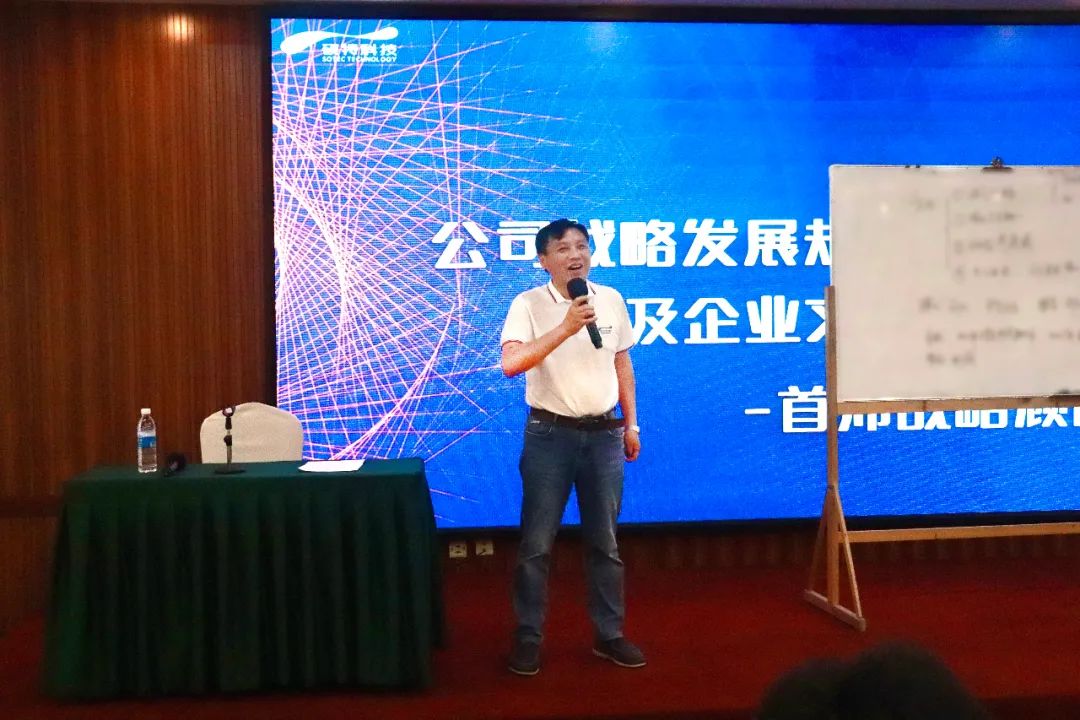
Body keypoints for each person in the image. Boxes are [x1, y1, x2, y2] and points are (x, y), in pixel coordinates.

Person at [500, 218, 644, 676]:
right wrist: (564, 328)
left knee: (606, 543)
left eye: (581, 246)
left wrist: (632, 424)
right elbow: (511, 363)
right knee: (536, 546)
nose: (575, 255)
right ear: (544, 260)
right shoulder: (527, 304)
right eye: (562, 249)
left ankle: (609, 634)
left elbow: (622, 363)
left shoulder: (611, 299)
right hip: (550, 436)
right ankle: (528, 637)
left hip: (605, 436)